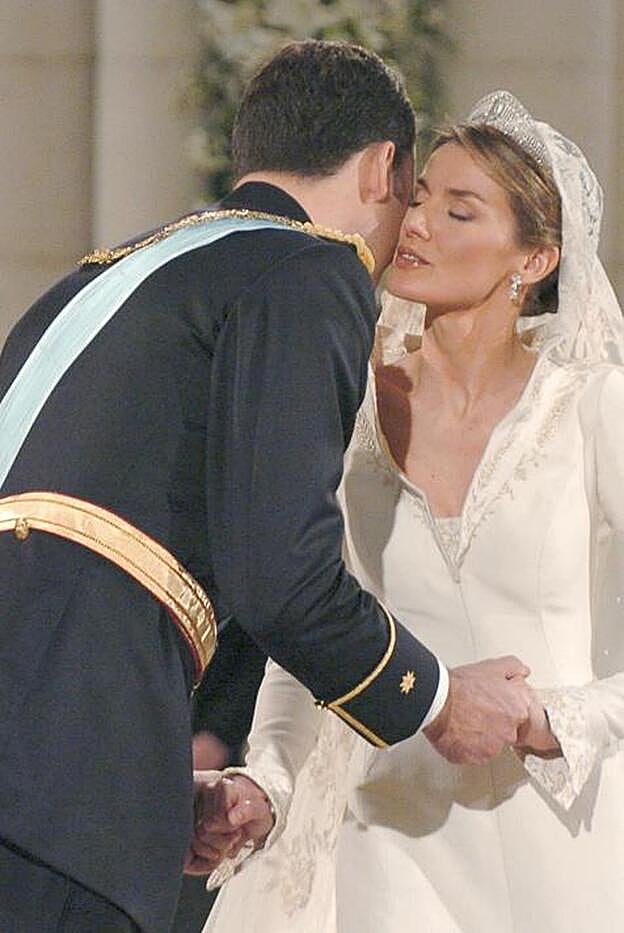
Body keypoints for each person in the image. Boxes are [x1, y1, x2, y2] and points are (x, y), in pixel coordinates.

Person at [0, 42, 531, 932]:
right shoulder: (306, 268)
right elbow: (280, 576)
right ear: (382, 169)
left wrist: (143, 774)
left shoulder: (103, 274)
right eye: (414, 196)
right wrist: (436, 699)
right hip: (57, 796)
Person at [196, 91, 624, 932]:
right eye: (419, 197)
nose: (417, 224)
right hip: (381, 833)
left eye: (459, 211)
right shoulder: (349, 399)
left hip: (557, 844)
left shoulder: (592, 406)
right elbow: (307, 630)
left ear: (535, 259)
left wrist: (552, 717)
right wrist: (269, 778)